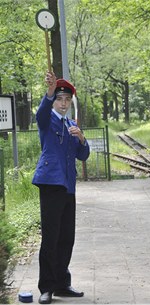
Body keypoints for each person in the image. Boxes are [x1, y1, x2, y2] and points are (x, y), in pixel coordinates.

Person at [32, 71, 90, 304]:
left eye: (67, 100)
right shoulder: (48, 119)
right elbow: (41, 112)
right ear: (54, 100)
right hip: (50, 184)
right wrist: (49, 90)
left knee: (67, 237)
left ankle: (62, 284)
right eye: (60, 99)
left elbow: (82, 155)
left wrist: (82, 138)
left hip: (68, 186)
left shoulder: (71, 123)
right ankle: (46, 287)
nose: (64, 103)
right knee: (51, 238)